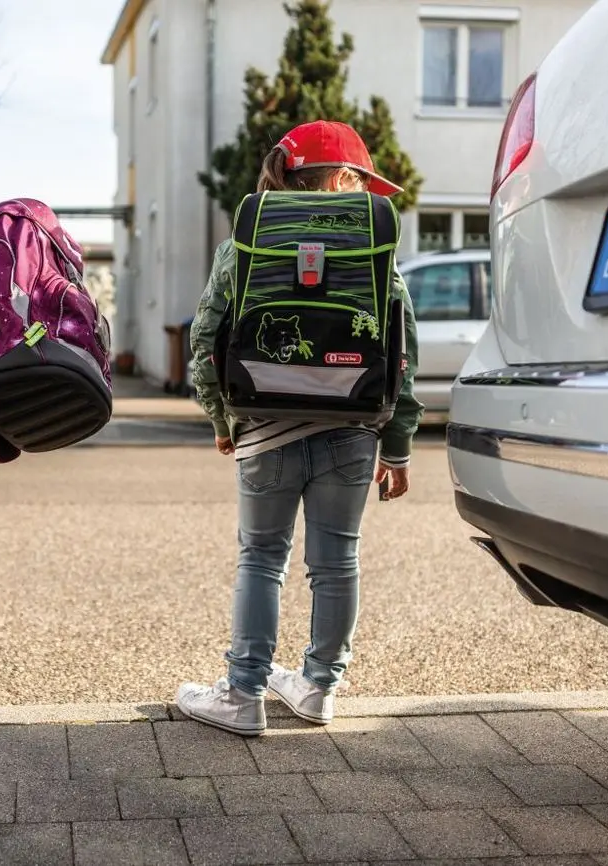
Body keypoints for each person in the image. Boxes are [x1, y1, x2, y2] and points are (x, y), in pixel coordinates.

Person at [177, 121, 425, 736]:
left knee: (261, 559)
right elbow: (402, 351)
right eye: (362, 181)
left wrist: (219, 414)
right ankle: (318, 688)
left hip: (266, 422)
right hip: (355, 423)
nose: (368, 195)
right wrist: (397, 448)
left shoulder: (250, 239)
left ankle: (243, 694)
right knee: (337, 561)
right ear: (341, 180)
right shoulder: (372, 244)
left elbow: (205, 336)